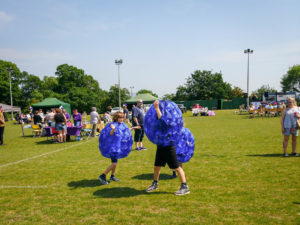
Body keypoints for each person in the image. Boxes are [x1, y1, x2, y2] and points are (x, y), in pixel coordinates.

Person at [146, 100, 190, 195]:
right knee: (157, 166)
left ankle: (185, 186)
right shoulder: (160, 116)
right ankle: (155, 183)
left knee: (177, 167)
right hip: (161, 145)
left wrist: (157, 108)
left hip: (169, 145)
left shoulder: (169, 119)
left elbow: (163, 122)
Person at [98, 112, 127, 184]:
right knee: (114, 164)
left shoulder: (120, 125)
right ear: (116, 118)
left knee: (115, 162)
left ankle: (112, 176)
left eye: (123, 118)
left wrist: (132, 128)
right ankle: (102, 175)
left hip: (117, 147)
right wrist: (113, 129)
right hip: (112, 147)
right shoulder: (111, 125)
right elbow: (110, 134)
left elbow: (121, 131)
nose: (122, 119)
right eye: (120, 118)